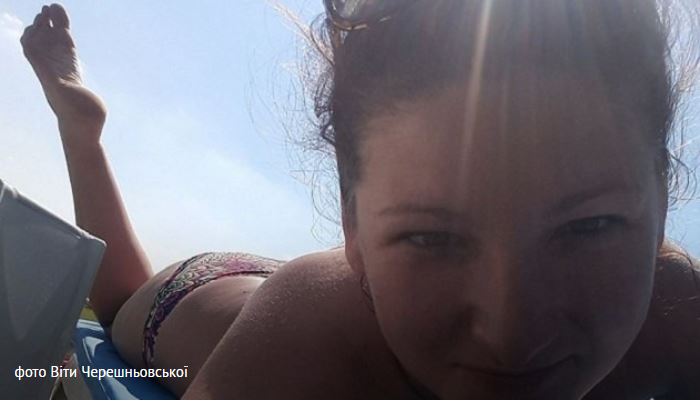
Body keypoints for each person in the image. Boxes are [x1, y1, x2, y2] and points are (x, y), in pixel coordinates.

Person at [19, 0, 700, 398]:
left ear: (664, 200)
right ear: (352, 227)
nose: (513, 329)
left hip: (326, 291)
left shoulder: (678, 309)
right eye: (433, 237)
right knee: (119, 305)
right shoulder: (297, 360)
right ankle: (83, 134)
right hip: (203, 298)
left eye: (590, 226)